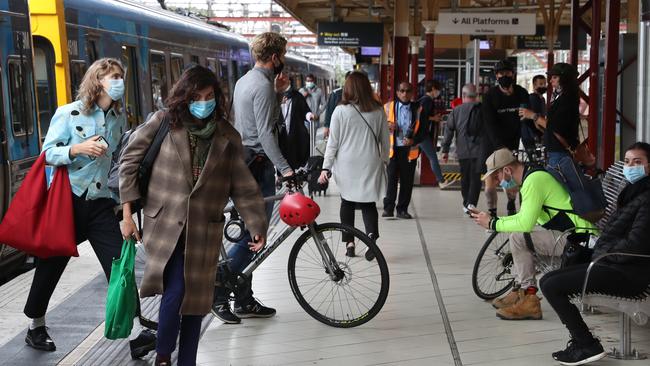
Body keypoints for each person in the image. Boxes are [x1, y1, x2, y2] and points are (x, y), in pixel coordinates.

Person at [119, 65, 267, 366]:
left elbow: (243, 185)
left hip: (203, 229)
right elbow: (128, 163)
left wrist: (256, 225)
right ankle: (162, 356)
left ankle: (187, 361)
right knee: (176, 293)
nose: (204, 101)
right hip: (166, 225)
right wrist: (127, 214)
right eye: (197, 96)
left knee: (196, 305)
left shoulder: (227, 136)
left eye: (209, 95)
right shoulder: (163, 122)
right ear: (184, 97)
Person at [22, 58, 155, 356]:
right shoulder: (68, 113)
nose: (119, 81)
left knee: (118, 263)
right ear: (98, 81)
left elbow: (120, 165)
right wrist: (77, 149)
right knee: (50, 265)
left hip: (99, 203)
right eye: (113, 76)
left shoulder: (118, 119)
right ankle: (36, 326)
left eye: (122, 76)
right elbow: (47, 154)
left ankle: (136, 334)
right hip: (67, 201)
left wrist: (124, 211)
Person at [540, 142, 650, 366]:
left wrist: (602, 253)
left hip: (629, 273)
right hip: (616, 265)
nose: (630, 166)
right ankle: (583, 343)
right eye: (627, 161)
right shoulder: (635, 192)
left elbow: (636, 245)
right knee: (550, 279)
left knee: (551, 285)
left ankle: (586, 345)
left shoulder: (647, 199)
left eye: (637, 162)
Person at [212, 32, 292, 324]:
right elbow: (267, 134)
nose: (282, 60)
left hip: (243, 162)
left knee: (251, 233)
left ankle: (243, 298)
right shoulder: (262, 87)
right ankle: (218, 292)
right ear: (274, 57)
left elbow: (255, 123)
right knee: (253, 236)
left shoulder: (245, 81)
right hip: (257, 168)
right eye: (282, 55)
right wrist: (285, 168)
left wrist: (279, 93)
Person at [470, 148, 597, 320]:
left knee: (519, 237)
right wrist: (495, 220)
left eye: (497, 177)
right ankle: (520, 290)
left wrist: (493, 223)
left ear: (507, 170)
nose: (499, 183)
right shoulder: (532, 176)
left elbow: (525, 223)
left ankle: (529, 300)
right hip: (570, 236)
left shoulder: (534, 181)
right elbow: (525, 218)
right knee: (522, 236)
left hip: (580, 241)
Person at [318, 71, 390, 257]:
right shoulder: (378, 109)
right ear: (367, 87)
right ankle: (371, 238)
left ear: (348, 88)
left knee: (347, 202)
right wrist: (384, 161)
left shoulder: (340, 111)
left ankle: (349, 244)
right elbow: (385, 139)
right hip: (370, 161)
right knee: (368, 203)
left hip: (347, 163)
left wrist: (325, 167)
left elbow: (332, 143)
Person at [480, 59, 530, 217]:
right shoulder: (489, 96)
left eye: (507, 73)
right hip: (493, 146)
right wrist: (500, 146)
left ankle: (511, 205)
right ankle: (492, 213)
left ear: (513, 74)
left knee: (510, 183)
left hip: (513, 143)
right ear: (496, 76)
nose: (504, 76)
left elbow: (526, 118)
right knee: (490, 186)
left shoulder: (521, 93)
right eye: (501, 73)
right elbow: (489, 124)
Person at [519, 63, 580, 168]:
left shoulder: (566, 100)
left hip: (559, 152)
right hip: (557, 150)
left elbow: (555, 127)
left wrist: (533, 116)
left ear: (565, 79)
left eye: (555, 77)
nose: (550, 81)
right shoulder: (565, 98)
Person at [382, 81, 422, 219]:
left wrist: (414, 141)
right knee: (391, 179)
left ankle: (402, 209)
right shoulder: (387, 107)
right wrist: (387, 125)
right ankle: (388, 208)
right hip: (393, 149)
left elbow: (423, 132)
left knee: (407, 181)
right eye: (402, 91)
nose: (405, 94)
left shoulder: (418, 109)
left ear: (412, 93)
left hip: (410, 150)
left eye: (408, 91)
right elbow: (379, 125)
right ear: (398, 92)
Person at [441, 84, 482, 213]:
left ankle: (466, 203)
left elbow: (448, 131)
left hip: (463, 151)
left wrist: (445, 150)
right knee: (476, 178)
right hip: (479, 151)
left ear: (463, 96)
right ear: (476, 96)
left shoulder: (456, 111)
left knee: (465, 177)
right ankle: (472, 204)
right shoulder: (482, 109)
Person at [417, 79, 451, 188]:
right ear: (433, 89)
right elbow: (421, 116)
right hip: (422, 134)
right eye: (438, 89)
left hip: (419, 133)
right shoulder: (428, 100)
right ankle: (441, 181)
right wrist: (434, 118)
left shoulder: (422, 99)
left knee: (413, 157)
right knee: (433, 157)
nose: (439, 92)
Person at [279, 80, 311, 169]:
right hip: (281, 135)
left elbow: (305, 110)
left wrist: (309, 115)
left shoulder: (297, 96)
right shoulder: (274, 96)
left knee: (295, 159)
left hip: (296, 134)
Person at [322, 71, 352, 138]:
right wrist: (327, 126)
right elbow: (329, 110)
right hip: (337, 127)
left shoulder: (360, 95)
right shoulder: (336, 94)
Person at [520, 75, 546, 151]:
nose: (544, 86)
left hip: (537, 133)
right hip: (531, 134)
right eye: (541, 84)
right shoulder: (533, 98)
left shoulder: (542, 99)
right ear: (534, 85)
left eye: (545, 83)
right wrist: (544, 133)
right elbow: (535, 119)